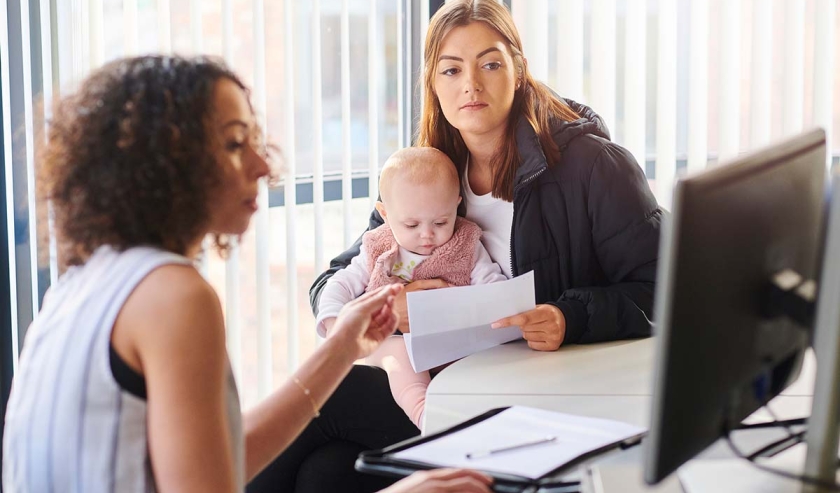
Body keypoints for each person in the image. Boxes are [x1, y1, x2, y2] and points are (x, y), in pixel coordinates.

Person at [1, 55, 493, 493]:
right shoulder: (172, 295)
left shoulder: (84, 282)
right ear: (169, 165)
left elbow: (216, 459)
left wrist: (344, 345)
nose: (263, 164)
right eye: (236, 144)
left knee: (329, 473)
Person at [254, 0, 663, 491]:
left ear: (518, 70)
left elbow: (663, 290)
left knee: (332, 399)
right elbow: (344, 270)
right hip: (443, 384)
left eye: (490, 63)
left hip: (536, 398)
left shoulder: (595, 167)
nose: (471, 83)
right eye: (451, 69)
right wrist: (385, 307)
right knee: (327, 473)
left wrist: (567, 316)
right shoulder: (429, 170)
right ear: (433, 83)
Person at [317, 147, 507, 428]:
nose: (427, 234)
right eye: (411, 224)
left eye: (441, 221)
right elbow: (339, 283)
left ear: (456, 205)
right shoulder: (378, 246)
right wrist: (336, 326)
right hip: (393, 343)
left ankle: (464, 414)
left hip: (452, 345)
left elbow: (492, 285)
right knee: (400, 357)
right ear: (384, 213)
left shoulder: (466, 243)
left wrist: (497, 311)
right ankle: (424, 414)